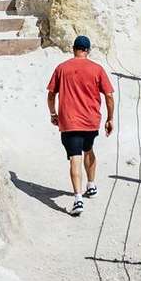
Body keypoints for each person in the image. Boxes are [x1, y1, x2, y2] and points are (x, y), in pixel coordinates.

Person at [46, 34, 115, 217]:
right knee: (89, 149)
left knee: (75, 157)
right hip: (91, 120)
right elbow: (108, 95)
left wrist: (53, 113)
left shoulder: (62, 68)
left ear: (73, 49)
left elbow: (52, 94)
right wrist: (110, 118)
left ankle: (78, 198)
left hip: (69, 120)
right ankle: (91, 185)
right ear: (88, 50)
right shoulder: (97, 69)